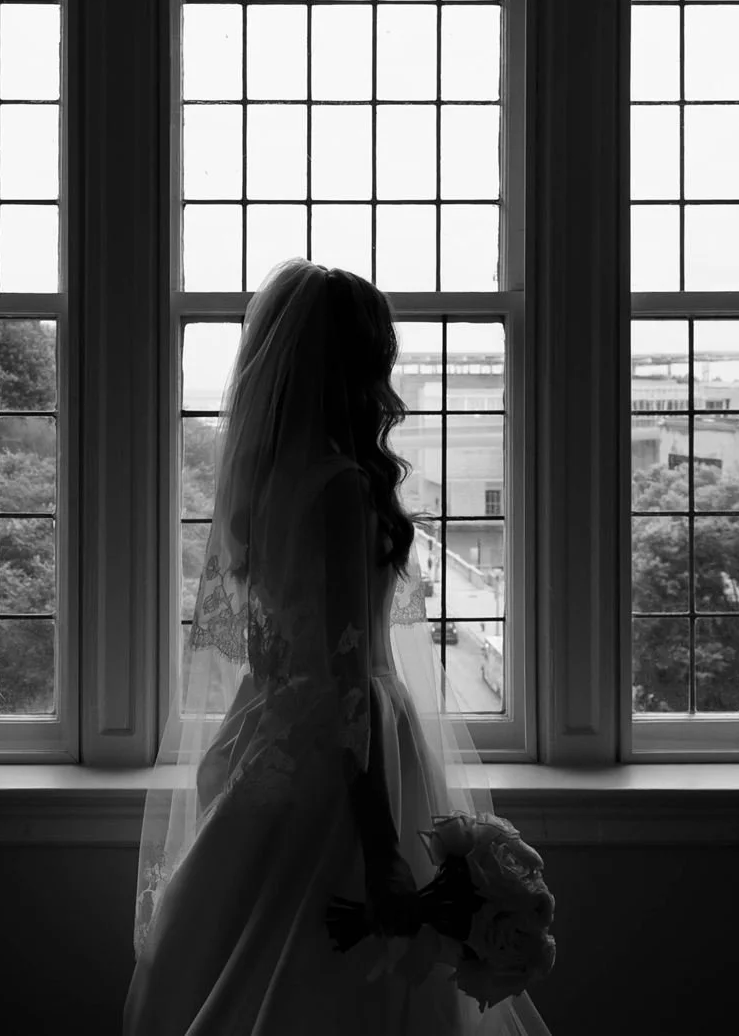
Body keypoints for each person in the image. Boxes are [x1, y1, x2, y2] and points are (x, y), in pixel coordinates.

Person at [128, 260, 553, 1035]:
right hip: (348, 755)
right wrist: (385, 846)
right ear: (360, 361)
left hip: (267, 732)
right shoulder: (340, 486)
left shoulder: (264, 483)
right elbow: (347, 676)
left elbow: (278, 646)